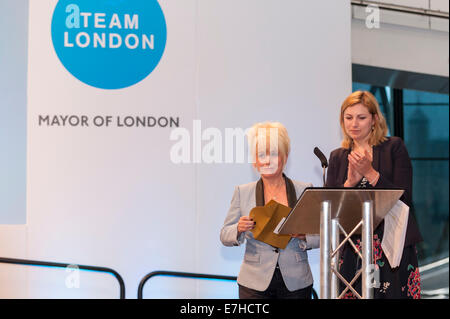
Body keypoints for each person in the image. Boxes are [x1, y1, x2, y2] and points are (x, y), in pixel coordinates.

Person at [326, 91, 423, 299]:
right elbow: (332, 210)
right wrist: (349, 184)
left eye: (361, 118)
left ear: (374, 119)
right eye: (348, 118)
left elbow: (404, 197)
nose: (354, 124)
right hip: (353, 248)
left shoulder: (394, 147)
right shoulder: (337, 157)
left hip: (391, 247)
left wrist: (370, 173)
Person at [220, 121, 319, 299]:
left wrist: (305, 235)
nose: (267, 160)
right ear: (255, 161)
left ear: (285, 157)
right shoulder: (242, 192)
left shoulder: (305, 190)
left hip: (296, 281)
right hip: (254, 283)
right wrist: (238, 228)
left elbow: (321, 235)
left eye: (274, 154)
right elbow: (225, 235)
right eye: (261, 154)